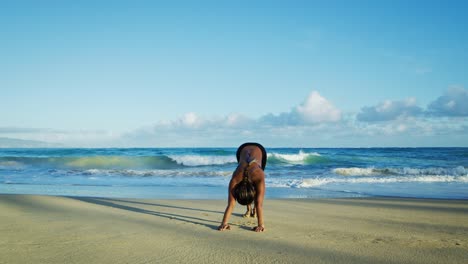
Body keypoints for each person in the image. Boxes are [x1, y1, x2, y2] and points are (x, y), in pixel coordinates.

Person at [218, 142, 267, 232]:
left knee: (257, 201)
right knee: (250, 192)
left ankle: (254, 211)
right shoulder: (235, 179)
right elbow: (231, 204)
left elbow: (259, 204)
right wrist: (224, 223)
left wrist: (261, 225)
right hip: (242, 149)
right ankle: (249, 209)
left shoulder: (259, 176)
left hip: (260, 149)